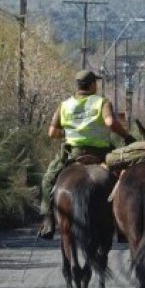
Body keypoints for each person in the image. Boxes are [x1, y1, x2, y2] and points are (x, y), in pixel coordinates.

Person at [37, 69, 137, 240]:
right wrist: (127, 137)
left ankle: (48, 221)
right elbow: (111, 122)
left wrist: (69, 133)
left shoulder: (65, 105)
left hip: (72, 153)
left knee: (48, 179)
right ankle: (122, 226)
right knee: (125, 176)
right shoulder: (102, 102)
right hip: (102, 152)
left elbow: (52, 132)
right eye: (95, 82)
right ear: (91, 85)